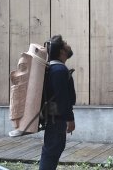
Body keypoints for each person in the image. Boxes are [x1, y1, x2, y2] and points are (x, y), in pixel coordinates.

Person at [39, 35, 76, 170]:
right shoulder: (59, 70)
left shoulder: (55, 69)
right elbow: (62, 98)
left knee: (52, 151)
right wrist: (70, 119)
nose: (68, 44)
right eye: (65, 43)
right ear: (61, 51)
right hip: (57, 119)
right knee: (51, 152)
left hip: (54, 118)